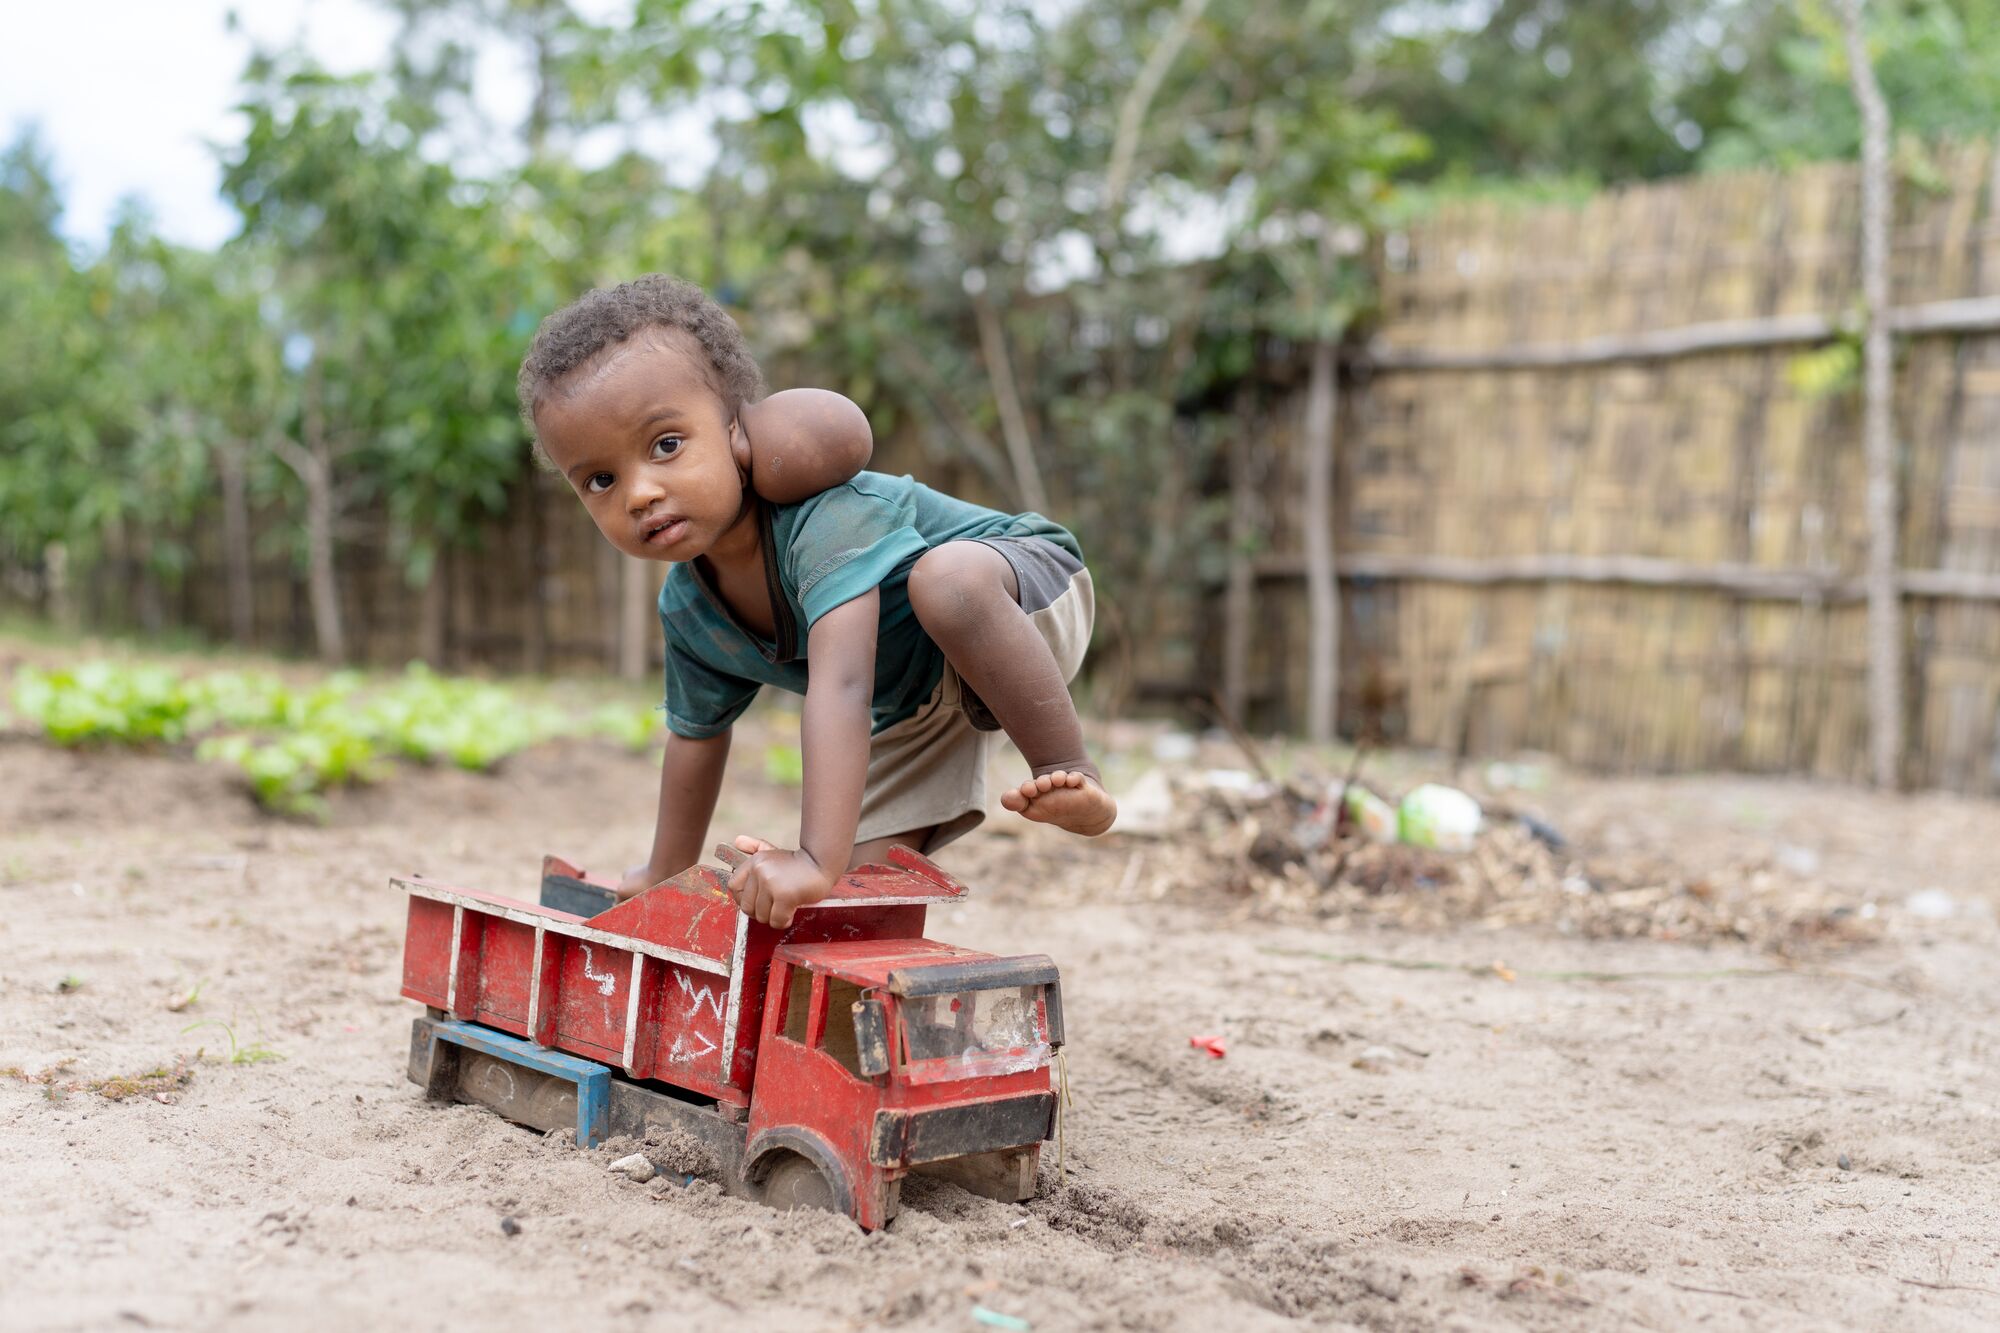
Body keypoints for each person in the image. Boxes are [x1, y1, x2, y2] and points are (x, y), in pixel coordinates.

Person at [518, 274, 1115, 927]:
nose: (638, 493)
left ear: (735, 431)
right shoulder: (690, 610)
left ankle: (1071, 771)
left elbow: (844, 683)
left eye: (667, 445)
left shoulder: (823, 520)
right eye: (601, 479)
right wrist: (666, 870)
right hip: (927, 701)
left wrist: (811, 855)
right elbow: (695, 740)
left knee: (947, 581)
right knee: (848, 903)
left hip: (1028, 598)